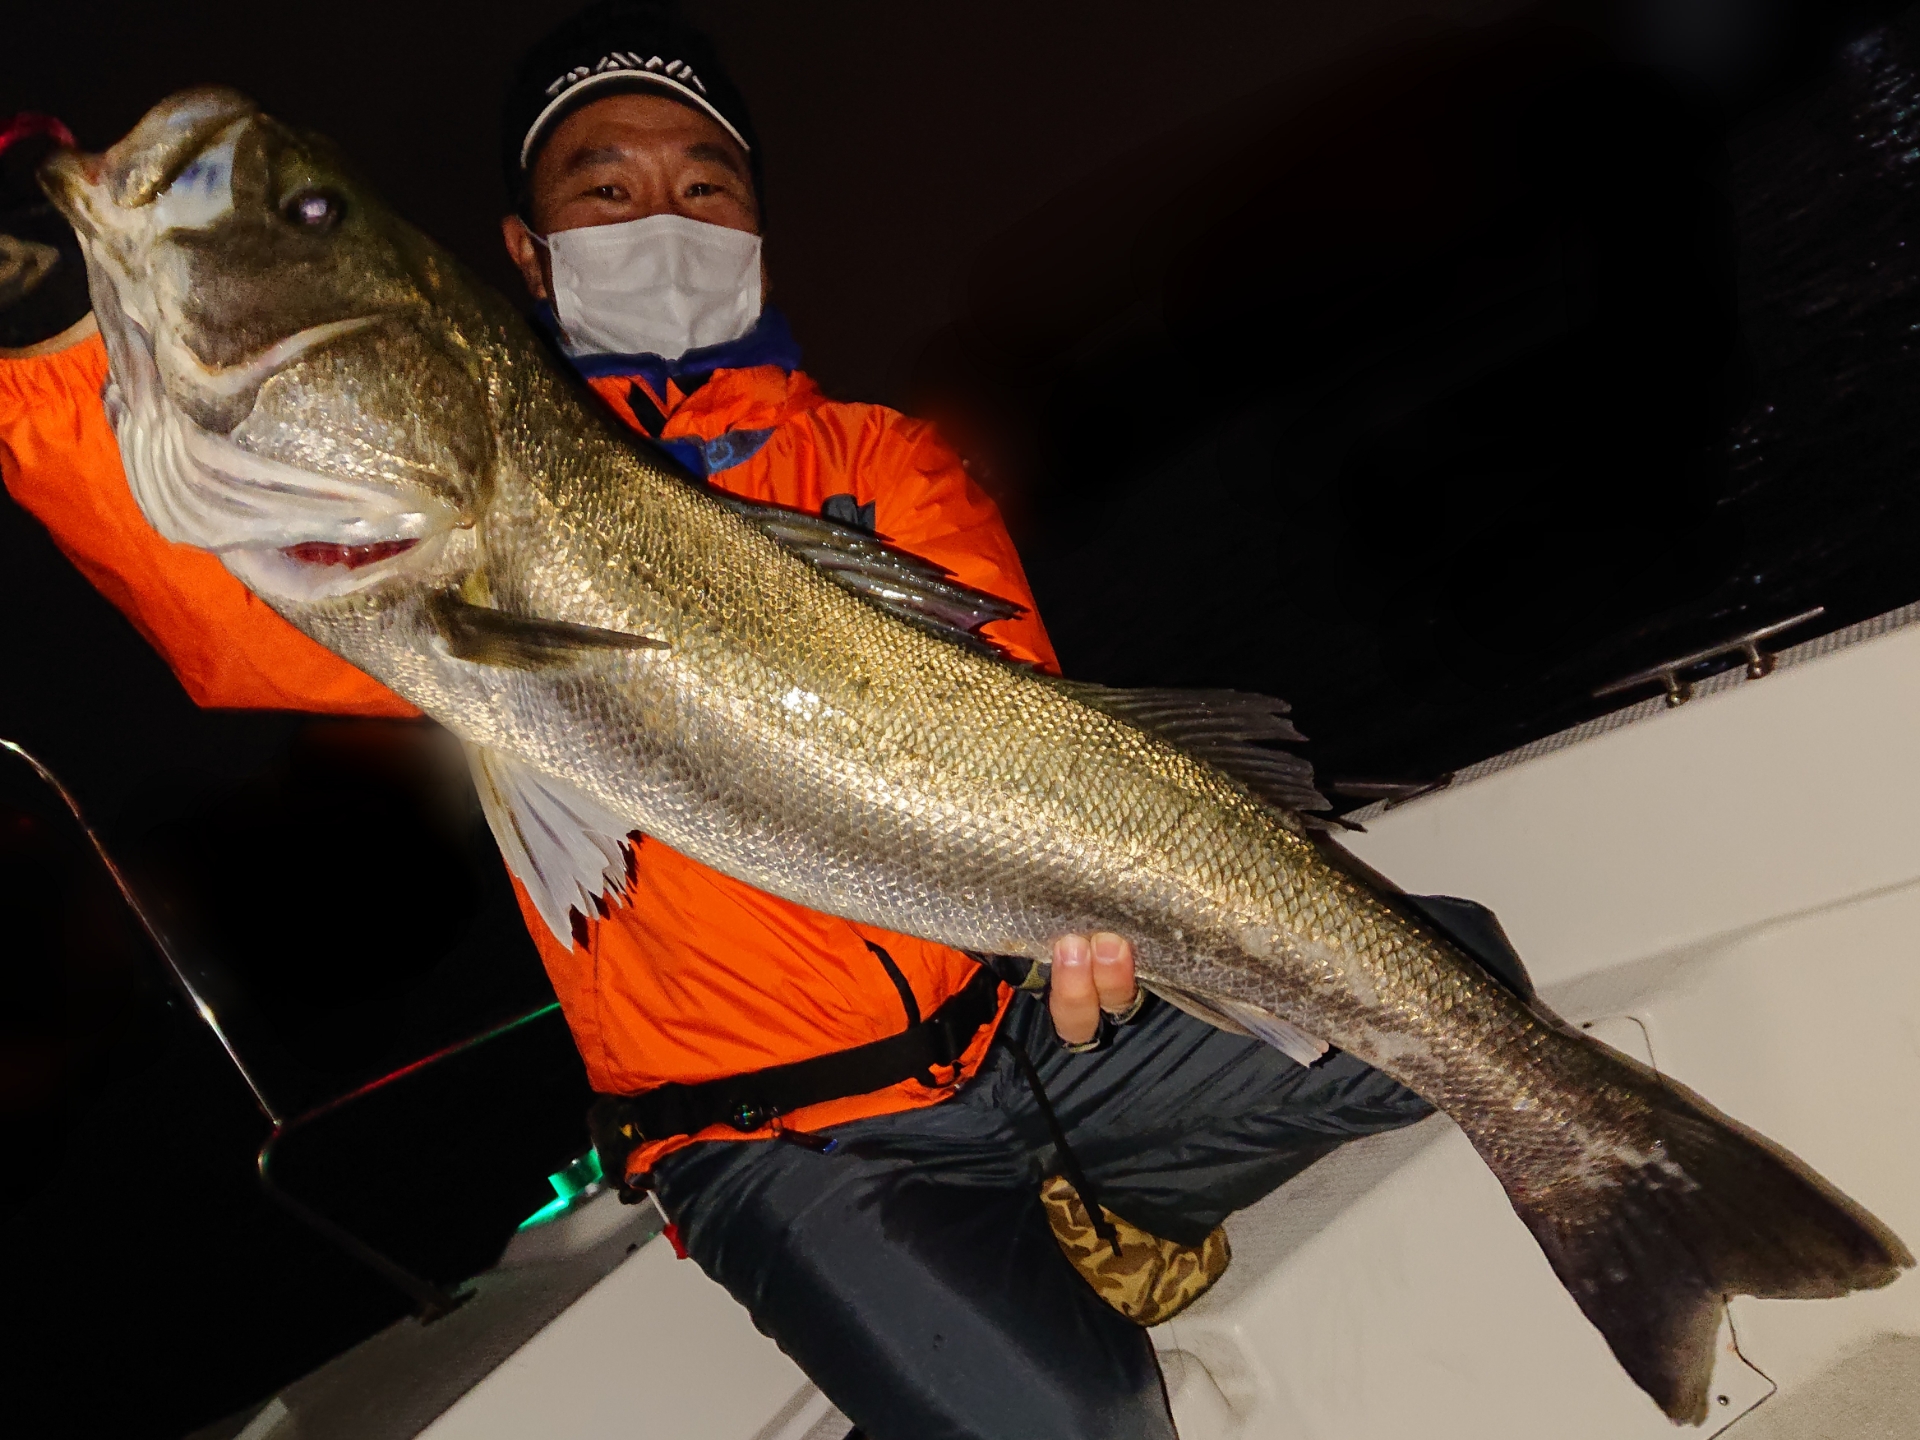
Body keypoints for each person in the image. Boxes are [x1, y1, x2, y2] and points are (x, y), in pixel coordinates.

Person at [0, 5, 1525, 1435]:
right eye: (606, 188)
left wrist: (1095, 954)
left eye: (704, 184)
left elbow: (1034, 741)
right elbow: (202, 596)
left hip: (1018, 1041)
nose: (662, 219)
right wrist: (45, 337)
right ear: (522, 260)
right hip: (778, 1143)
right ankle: (994, 1249)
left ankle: (1107, 1185)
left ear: (753, 225)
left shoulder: (880, 463)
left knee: (1463, 986)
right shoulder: (416, 560)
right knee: (1082, 1424)